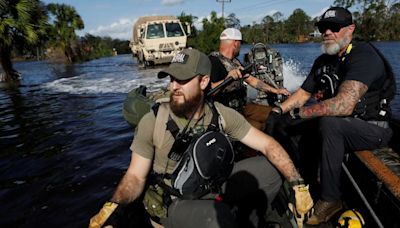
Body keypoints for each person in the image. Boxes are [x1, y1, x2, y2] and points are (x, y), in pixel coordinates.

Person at [89, 48, 313, 228]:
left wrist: (297, 183)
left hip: (212, 186)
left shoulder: (221, 114)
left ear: (204, 82)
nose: (173, 87)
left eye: (183, 80)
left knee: (271, 169)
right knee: (216, 219)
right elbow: (135, 176)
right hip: (174, 201)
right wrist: (113, 206)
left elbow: (267, 144)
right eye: (171, 79)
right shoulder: (153, 120)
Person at [266, 7, 395, 225]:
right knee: (283, 125)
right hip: (342, 123)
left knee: (329, 123)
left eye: (334, 28)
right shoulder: (324, 61)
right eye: (323, 28)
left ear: (350, 29)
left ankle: (330, 199)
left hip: (373, 128)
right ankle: (302, 180)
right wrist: (278, 112)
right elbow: (303, 94)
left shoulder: (364, 56)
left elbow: (344, 105)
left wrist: (300, 113)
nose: (327, 32)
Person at [209, 28, 290, 131]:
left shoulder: (235, 62)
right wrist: (227, 79)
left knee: (276, 115)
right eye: (240, 44)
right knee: (260, 128)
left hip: (242, 108)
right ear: (235, 43)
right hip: (226, 116)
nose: (240, 47)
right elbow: (210, 91)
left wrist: (276, 90)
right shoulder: (213, 62)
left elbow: (252, 80)